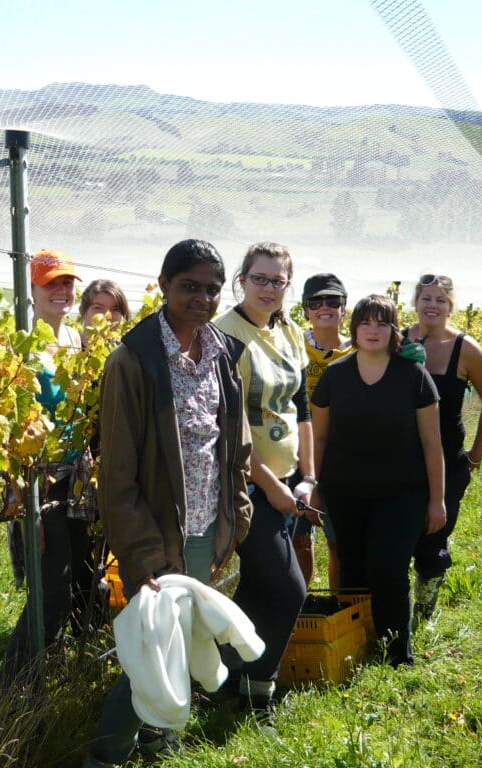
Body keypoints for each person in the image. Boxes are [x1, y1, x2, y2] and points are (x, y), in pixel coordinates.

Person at [83, 239, 252, 767]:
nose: (201, 299)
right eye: (189, 287)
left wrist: (236, 520)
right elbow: (117, 475)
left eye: (211, 289)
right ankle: (106, 754)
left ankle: (159, 740)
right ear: (163, 285)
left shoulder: (223, 352)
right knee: (152, 651)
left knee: (182, 637)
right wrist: (141, 555)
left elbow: (236, 446)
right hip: (155, 535)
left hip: (205, 527)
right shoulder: (133, 361)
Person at [310, 294, 445, 667]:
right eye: (366, 323)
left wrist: (437, 500)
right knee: (353, 569)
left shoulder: (412, 377)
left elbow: (432, 442)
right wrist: (316, 486)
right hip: (345, 493)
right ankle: (357, 643)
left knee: (388, 566)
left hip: (401, 493)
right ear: (353, 329)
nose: (373, 331)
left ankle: (396, 651)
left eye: (382, 323)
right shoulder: (335, 376)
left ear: (393, 330)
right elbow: (319, 438)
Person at [213, 242, 311, 711]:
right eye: (260, 278)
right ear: (241, 279)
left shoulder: (289, 331)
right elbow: (227, 430)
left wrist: (306, 476)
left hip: (289, 480)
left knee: (256, 585)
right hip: (248, 486)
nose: (269, 289)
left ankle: (228, 679)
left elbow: (302, 408)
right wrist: (270, 487)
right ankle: (261, 689)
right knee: (290, 589)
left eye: (278, 281)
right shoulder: (225, 336)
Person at [1, 248, 98, 680]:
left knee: (79, 573)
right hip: (37, 478)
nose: (61, 290)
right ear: (32, 291)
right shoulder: (20, 343)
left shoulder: (77, 340)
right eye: (50, 283)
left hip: (76, 477)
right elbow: (7, 430)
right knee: (51, 588)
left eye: (67, 282)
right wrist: (26, 501)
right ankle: (16, 685)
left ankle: (57, 663)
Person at [404, 274, 482, 621]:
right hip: (398, 461)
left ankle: (424, 613)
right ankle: (394, 613)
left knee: (433, 536)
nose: (432, 305)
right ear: (415, 303)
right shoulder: (396, 340)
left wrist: (476, 454)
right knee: (397, 537)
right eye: (426, 298)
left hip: (446, 462)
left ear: (450, 306)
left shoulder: (466, 349)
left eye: (440, 300)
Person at [299, 273, 353, 590]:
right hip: (295, 457)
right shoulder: (293, 346)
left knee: (338, 545)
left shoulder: (358, 350)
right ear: (306, 309)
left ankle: (337, 603)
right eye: (316, 301)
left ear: (344, 308)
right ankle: (301, 603)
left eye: (333, 301)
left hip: (339, 460)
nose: (325, 307)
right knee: (299, 541)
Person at [79, 278, 130, 343]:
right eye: (98, 308)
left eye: (115, 309)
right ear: (83, 312)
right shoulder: (69, 348)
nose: (107, 316)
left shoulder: (127, 351)